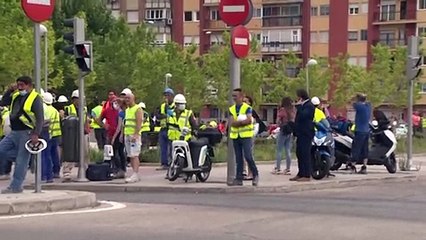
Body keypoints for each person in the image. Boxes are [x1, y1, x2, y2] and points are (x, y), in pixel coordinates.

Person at [0, 76, 44, 193]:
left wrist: (36, 133)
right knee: (2, 150)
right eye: (18, 85)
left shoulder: (36, 98)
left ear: (29, 86)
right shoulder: (16, 95)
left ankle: (16, 187)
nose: (19, 87)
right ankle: (27, 160)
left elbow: (40, 118)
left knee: (21, 161)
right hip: (14, 131)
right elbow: (3, 102)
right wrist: (9, 90)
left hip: (27, 132)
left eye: (22, 85)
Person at [228, 88, 259, 186]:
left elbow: (249, 120)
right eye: (233, 96)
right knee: (238, 158)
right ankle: (238, 179)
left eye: (235, 96)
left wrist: (238, 123)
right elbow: (231, 123)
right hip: (236, 136)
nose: (234, 98)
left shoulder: (247, 108)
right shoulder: (231, 109)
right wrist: (241, 122)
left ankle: (255, 174)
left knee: (248, 156)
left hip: (246, 136)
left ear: (241, 97)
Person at [62, 89, 90, 180]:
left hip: (82, 132)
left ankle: (85, 170)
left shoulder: (84, 109)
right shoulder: (68, 108)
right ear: (74, 99)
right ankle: (67, 172)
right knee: (70, 152)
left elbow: (86, 119)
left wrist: (87, 128)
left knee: (84, 152)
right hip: (71, 134)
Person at [290, 89, 315, 182]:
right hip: (300, 132)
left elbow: (304, 116)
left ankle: (307, 174)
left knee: (305, 153)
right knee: (299, 153)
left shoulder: (309, 105)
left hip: (306, 133)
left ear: (301, 96)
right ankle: (301, 173)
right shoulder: (303, 105)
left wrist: (299, 106)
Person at [242, 96, 266, 180]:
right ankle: (244, 172)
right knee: (242, 154)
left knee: (249, 154)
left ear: (249, 103)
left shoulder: (251, 111)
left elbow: (255, 123)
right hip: (242, 135)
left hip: (249, 135)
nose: (243, 103)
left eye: (246, 101)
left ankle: (251, 173)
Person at [41, 92, 61, 182]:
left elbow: (45, 124)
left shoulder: (44, 109)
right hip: (56, 135)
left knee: (46, 155)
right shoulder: (54, 110)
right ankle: (56, 172)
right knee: (54, 154)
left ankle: (45, 175)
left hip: (48, 134)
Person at [349, 93, 371, 174]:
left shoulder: (358, 106)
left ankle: (353, 166)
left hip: (359, 131)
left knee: (356, 149)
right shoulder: (368, 106)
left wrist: (354, 97)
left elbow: (352, 103)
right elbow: (367, 101)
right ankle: (364, 167)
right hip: (366, 130)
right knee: (365, 149)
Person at [123, 93, 143, 183]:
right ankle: (134, 174)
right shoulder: (127, 109)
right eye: (126, 98)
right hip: (127, 134)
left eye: (129, 98)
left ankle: (135, 173)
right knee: (130, 155)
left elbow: (139, 122)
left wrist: (136, 134)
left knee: (134, 155)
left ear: (133, 98)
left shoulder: (137, 109)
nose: (127, 100)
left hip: (134, 135)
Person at [273, 97, 295, 175]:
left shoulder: (282, 110)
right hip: (290, 132)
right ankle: (288, 169)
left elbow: (278, 121)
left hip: (283, 130)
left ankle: (278, 168)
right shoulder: (293, 110)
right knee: (288, 150)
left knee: (279, 150)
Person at [156, 88, 175, 170]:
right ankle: (164, 163)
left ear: (172, 96)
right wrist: (164, 115)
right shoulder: (162, 106)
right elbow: (157, 116)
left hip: (171, 129)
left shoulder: (175, 105)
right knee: (163, 147)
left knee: (171, 147)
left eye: (168, 95)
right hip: (163, 128)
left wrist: (168, 112)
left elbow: (174, 115)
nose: (166, 97)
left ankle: (172, 163)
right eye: (165, 95)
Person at [110, 98, 127, 179]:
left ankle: (119, 168)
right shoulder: (127, 112)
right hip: (125, 134)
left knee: (115, 151)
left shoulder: (121, 113)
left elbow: (120, 126)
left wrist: (114, 137)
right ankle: (123, 169)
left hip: (120, 134)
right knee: (121, 152)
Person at [0, 106, 11, 180]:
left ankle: (4, 172)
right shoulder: (7, 114)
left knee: (3, 155)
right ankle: (5, 172)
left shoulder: (6, 115)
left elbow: (7, 128)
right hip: (4, 135)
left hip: (4, 136)